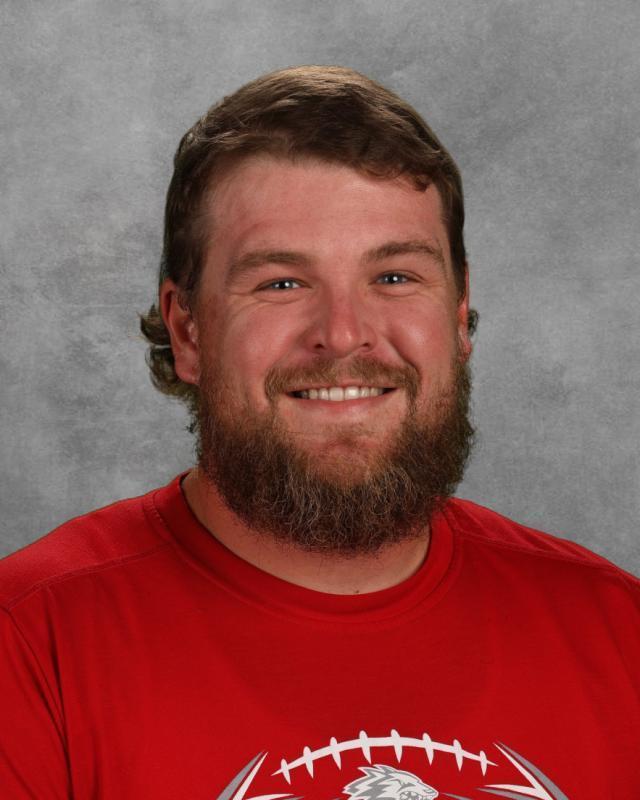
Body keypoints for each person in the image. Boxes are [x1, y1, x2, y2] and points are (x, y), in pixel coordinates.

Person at [0, 66, 638, 800]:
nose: (344, 335)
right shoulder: (28, 650)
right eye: (281, 282)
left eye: (395, 277)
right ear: (188, 330)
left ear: (459, 314)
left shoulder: (619, 636)